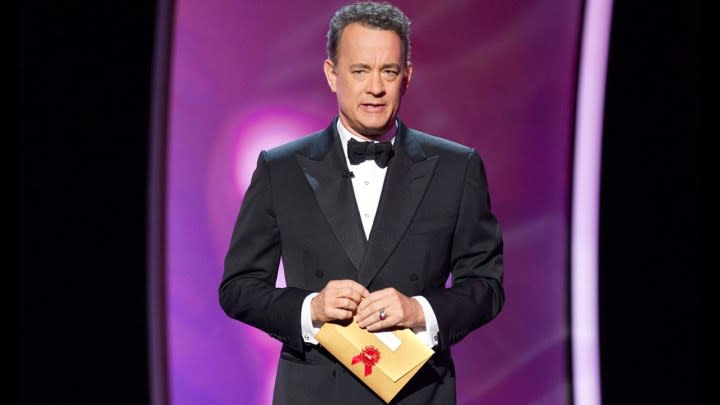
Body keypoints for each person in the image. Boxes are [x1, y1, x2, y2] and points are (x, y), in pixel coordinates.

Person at [219, 2, 504, 404]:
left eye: (388, 71)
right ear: (332, 74)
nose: (375, 87)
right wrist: (311, 307)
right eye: (359, 71)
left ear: (407, 77)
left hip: (419, 393)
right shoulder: (279, 169)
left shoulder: (457, 168)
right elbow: (239, 289)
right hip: (315, 393)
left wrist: (419, 310)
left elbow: (486, 287)